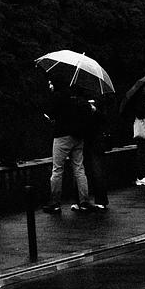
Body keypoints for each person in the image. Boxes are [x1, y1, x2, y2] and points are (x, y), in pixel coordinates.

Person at [42, 80, 92, 215]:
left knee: (57, 169)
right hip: (78, 137)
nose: (50, 85)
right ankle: (84, 201)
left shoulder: (58, 97)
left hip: (62, 136)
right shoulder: (75, 97)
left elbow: (51, 113)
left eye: (51, 83)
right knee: (79, 169)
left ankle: (55, 203)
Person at [79, 98, 111, 211]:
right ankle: (93, 200)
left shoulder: (95, 103)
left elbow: (104, 119)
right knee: (86, 171)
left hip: (92, 140)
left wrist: (95, 111)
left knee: (95, 170)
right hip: (89, 140)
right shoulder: (87, 101)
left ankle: (97, 200)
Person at [130, 91, 145, 187]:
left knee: (144, 152)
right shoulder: (138, 100)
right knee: (142, 153)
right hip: (141, 131)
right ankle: (141, 176)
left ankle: (143, 175)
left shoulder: (141, 99)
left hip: (142, 132)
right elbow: (140, 114)